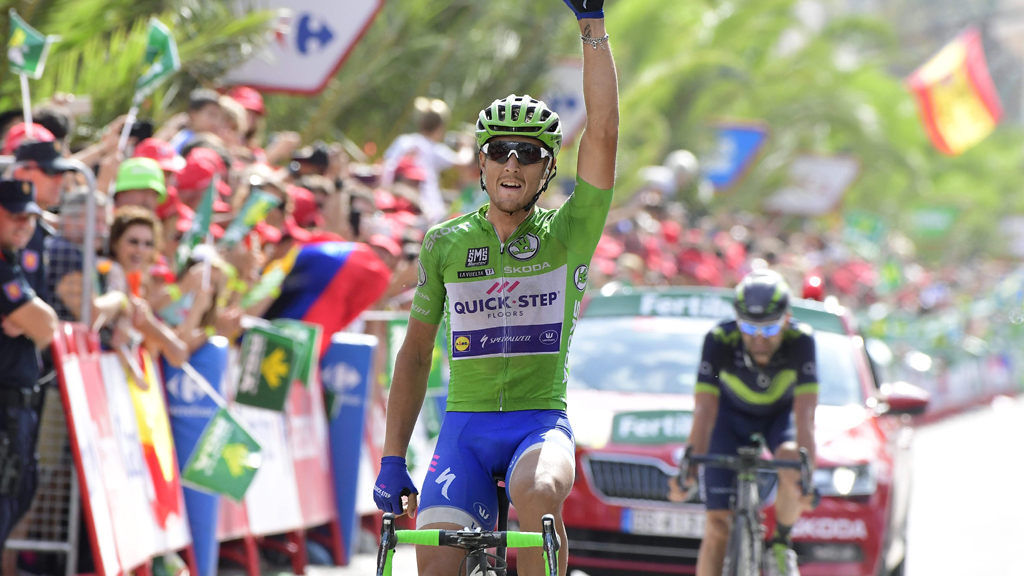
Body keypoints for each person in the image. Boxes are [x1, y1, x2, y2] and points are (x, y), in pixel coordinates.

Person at [373, 2, 617, 575]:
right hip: (465, 430)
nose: (512, 162)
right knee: (434, 561)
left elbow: (603, 132)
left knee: (538, 495)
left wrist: (592, 27)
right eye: (499, 151)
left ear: (547, 169)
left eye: (528, 153)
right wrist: (391, 457)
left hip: (538, 426)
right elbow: (414, 355)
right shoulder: (445, 242)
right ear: (480, 164)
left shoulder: (570, 232)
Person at [671, 270, 818, 576]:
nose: (759, 338)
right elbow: (705, 410)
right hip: (729, 419)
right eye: (749, 327)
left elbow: (805, 414)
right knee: (717, 526)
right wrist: (689, 469)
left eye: (770, 328)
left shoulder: (802, 340)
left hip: (778, 418)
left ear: (787, 319)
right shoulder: (719, 339)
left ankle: (780, 542)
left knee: (792, 460)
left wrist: (806, 478)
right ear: (737, 320)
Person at [0, 179, 58, 550]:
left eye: (31, 217)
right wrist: (32, 321)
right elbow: (46, 325)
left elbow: (44, 325)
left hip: (15, 409)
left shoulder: (11, 260)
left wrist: (31, 320)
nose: (25, 224)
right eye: (15, 215)